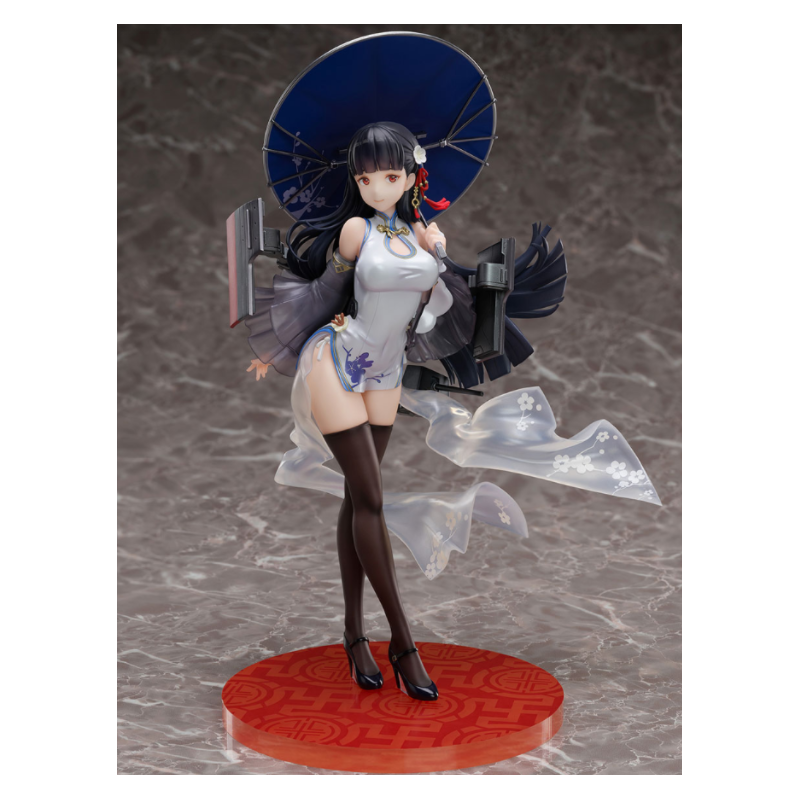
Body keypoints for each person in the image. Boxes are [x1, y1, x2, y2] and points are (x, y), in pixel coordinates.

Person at [242, 122, 660, 702]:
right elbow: (323, 294)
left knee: (359, 498)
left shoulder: (420, 234)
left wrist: (438, 254)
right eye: (365, 178)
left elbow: (436, 311)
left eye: (389, 176)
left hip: (386, 369)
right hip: (337, 359)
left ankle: (352, 633)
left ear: (411, 177)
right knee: (372, 498)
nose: (376, 187)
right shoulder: (357, 230)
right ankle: (402, 641)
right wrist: (277, 344)